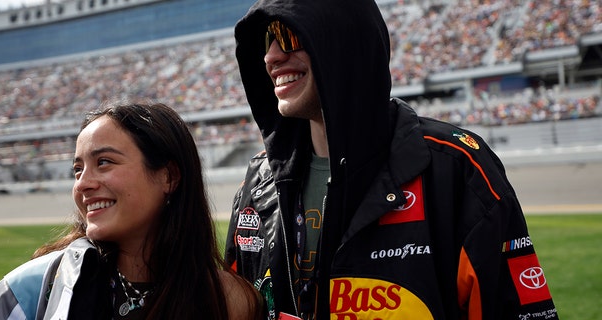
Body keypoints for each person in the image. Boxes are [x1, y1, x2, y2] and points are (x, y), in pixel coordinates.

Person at [224, 0, 559, 319]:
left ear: (344, 40)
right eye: (267, 40)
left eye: (288, 36)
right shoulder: (257, 181)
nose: (271, 56)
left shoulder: (456, 167)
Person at [0, 101, 263, 320]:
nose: (83, 184)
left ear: (169, 177)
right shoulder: (31, 291)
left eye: (104, 162)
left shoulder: (229, 300)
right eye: (77, 170)